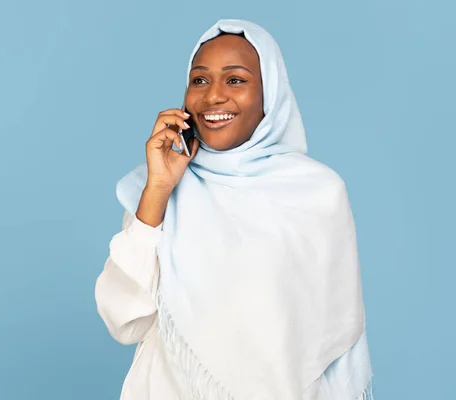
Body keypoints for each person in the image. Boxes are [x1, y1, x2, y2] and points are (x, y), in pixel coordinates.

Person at [95, 19, 373, 400]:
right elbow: (122, 321)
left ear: (269, 96)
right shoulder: (163, 190)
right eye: (200, 80)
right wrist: (157, 190)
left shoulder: (317, 194)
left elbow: (328, 337)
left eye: (236, 80)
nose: (213, 97)